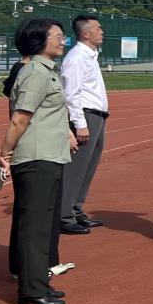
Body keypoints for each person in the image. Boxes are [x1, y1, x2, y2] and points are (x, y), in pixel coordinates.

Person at [0, 18, 78, 304]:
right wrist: (4, 154)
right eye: (57, 36)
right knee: (34, 225)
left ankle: (38, 282)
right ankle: (31, 290)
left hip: (49, 155)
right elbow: (20, 118)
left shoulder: (45, 71)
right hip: (36, 157)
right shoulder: (34, 73)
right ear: (38, 40)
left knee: (42, 225)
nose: (62, 40)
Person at [59, 15, 109, 235]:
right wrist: (80, 124)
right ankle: (64, 215)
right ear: (86, 34)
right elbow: (71, 93)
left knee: (88, 166)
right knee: (76, 167)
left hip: (97, 116)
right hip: (85, 116)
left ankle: (76, 209)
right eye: (98, 28)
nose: (102, 31)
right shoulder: (77, 57)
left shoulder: (90, 56)